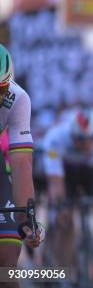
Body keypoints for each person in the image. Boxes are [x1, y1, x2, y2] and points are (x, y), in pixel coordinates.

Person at [43, 107, 93, 267]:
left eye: (89, 140)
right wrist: (60, 205)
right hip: (66, 173)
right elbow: (56, 182)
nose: (85, 145)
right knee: (65, 220)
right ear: (72, 134)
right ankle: (62, 272)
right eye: (79, 139)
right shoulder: (55, 138)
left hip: (91, 172)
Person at [0, 44, 41, 275]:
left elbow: (21, 164)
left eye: (1, 88)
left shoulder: (17, 99)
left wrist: (28, 220)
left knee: (5, 268)